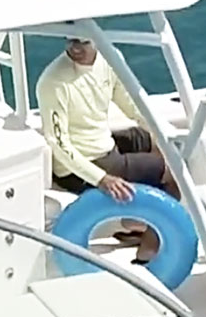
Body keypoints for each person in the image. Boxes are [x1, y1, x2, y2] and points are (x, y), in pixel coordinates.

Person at [36, 34, 179, 262]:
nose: (75, 48)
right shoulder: (54, 82)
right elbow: (59, 144)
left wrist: (162, 135)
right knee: (175, 174)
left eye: (83, 41)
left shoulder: (110, 59)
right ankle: (149, 249)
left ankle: (137, 221)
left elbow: (133, 107)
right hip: (78, 166)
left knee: (152, 142)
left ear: (96, 39)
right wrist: (102, 179)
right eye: (70, 41)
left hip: (103, 143)